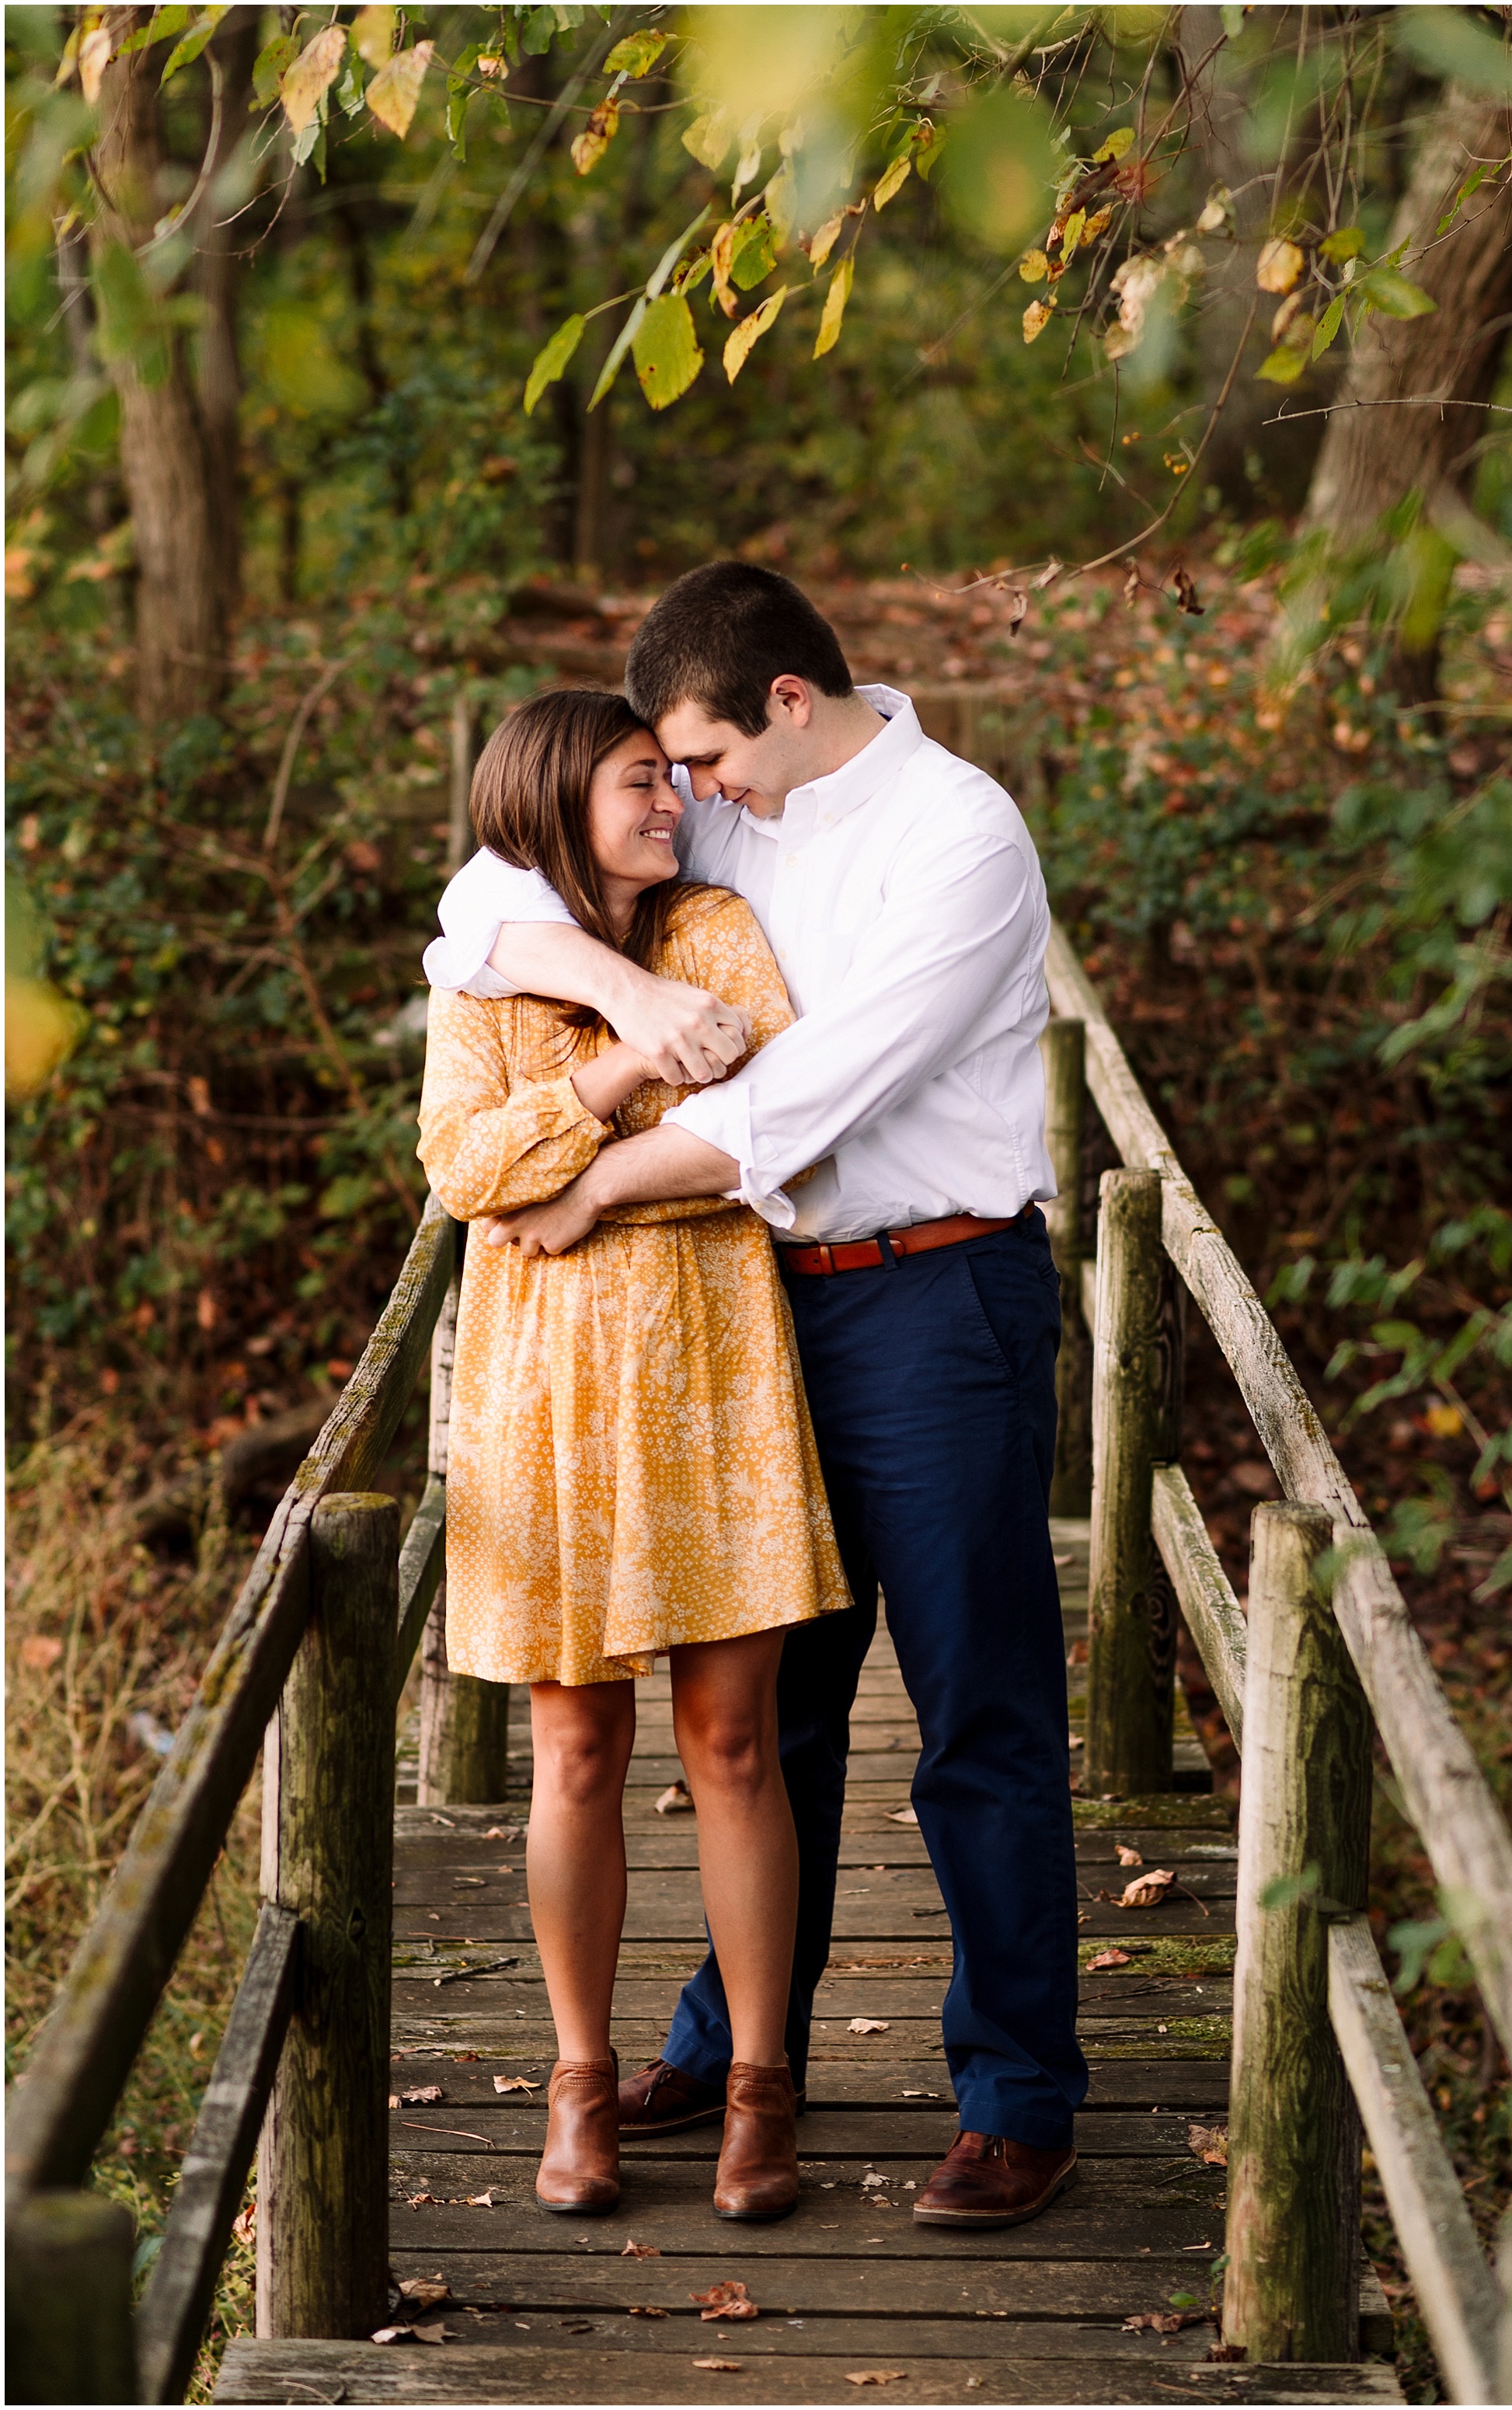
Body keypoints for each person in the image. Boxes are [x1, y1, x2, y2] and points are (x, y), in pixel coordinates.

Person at [426, 563, 1089, 2230]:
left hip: (932, 1296)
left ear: (784, 707)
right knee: (767, 1712)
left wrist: (581, 1191)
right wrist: (636, 998)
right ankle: (735, 2053)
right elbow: (485, 898)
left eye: (700, 760)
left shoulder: (961, 838)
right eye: (670, 772)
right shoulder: (733, 809)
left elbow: (807, 1092)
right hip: (750, 1312)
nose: (689, 795)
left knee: (975, 1715)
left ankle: (1016, 2097)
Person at [416, 687, 850, 2225]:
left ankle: (755, 2086)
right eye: (634, 782)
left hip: (712, 1376)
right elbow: (465, 1173)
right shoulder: (488, 986)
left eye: (672, 775)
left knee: (732, 1747)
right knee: (577, 1751)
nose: (671, 800)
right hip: (545, 1406)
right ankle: (582, 2080)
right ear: (552, 800)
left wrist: (582, 1183)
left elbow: (766, 1122)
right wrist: (613, 1082)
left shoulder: (714, 930)